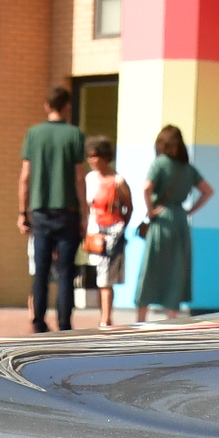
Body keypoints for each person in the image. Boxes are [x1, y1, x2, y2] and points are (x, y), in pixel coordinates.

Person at [17, 85, 86, 332]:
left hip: (40, 211)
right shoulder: (75, 134)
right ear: (67, 106)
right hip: (67, 211)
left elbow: (25, 175)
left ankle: (38, 322)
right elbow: (79, 177)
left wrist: (22, 212)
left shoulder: (34, 134)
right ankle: (65, 323)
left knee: (41, 271)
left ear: (47, 106)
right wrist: (84, 213)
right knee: (66, 272)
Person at [133, 125, 214, 322]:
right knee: (177, 270)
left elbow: (146, 187)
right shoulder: (187, 168)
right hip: (180, 221)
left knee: (151, 268)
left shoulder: (159, 163)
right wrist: (189, 211)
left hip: (161, 221)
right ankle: (172, 319)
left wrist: (151, 210)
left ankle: (141, 319)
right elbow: (208, 191)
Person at [82, 136, 133, 327]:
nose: (91, 160)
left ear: (105, 157)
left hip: (112, 231)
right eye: (88, 156)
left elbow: (129, 206)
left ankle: (106, 318)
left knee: (105, 278)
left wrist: (121, 227)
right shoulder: (89, 178)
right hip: (94, 232)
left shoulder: (118, 181)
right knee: (97, 274)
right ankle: (102, 315)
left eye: (95, 156)